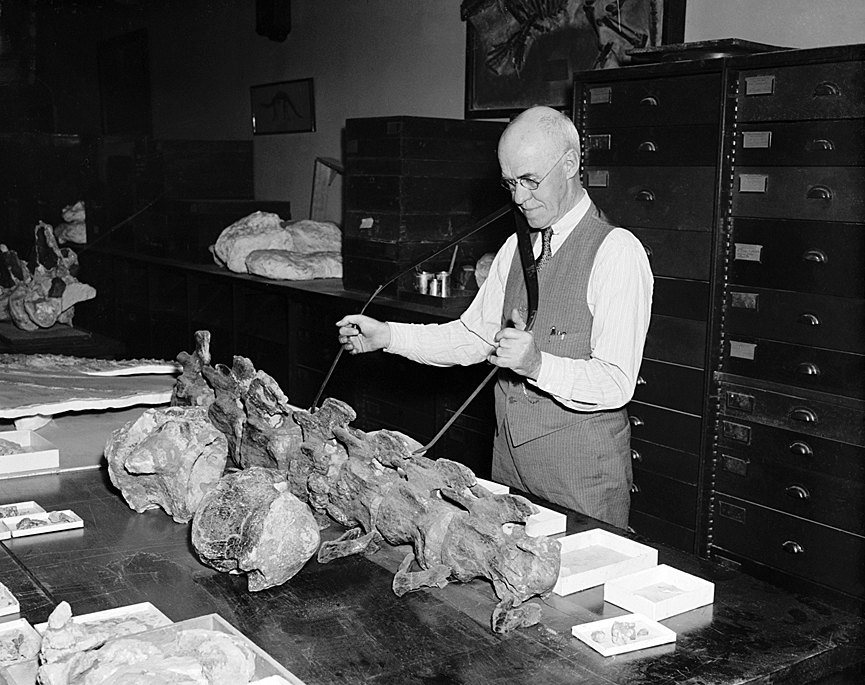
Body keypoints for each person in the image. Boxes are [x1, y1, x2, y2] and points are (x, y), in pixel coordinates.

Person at [336, 106, 653, 528]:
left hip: (582, 479)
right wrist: (389, 336)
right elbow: (472, 337)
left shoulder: (617, 252)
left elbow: (616, 383)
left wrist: (538, 364)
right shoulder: (514, 249)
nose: (519, 198)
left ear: (572, 164)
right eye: (510, 183)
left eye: (530, 181)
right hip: (509, 468)